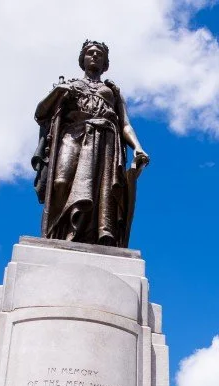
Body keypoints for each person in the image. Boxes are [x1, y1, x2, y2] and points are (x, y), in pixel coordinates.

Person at [32, 40, 149, 247]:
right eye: (90, 53)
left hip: (105, 140)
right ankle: (57, 234)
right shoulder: (68, 85)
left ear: (105, 63)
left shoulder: (112, 91)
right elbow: (41, 113)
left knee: (102, 194)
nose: (94, 56)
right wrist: (58, 91)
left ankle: (92, 237)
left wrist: (137, 147)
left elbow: (125, 125)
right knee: (61, 181)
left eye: (99, 54)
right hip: (74, 134)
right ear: (82, 59)